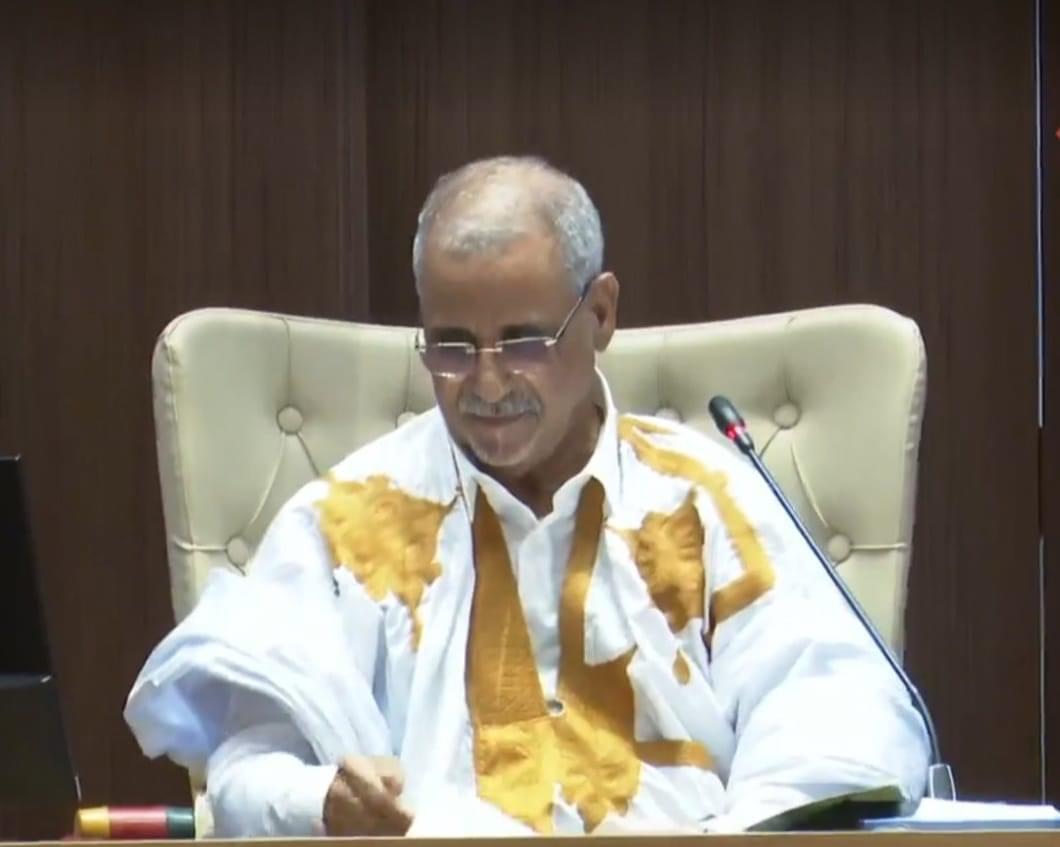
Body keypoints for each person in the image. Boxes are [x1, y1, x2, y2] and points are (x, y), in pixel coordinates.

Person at [126, 156, 929, 837]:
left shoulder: (705, 496)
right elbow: (244, 773)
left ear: (601, 313)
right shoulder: (345, 520)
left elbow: (839, 717)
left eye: (523, 340)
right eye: (451, 347)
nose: (486, 384)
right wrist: (324, 801)